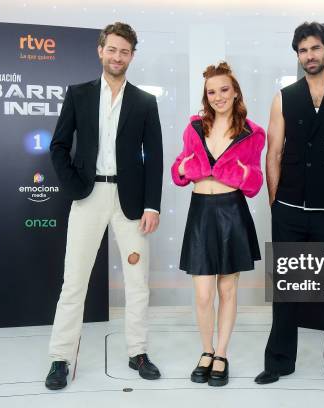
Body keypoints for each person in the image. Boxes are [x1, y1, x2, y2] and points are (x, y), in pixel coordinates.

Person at [45, 22, 163, 390]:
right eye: (112, 49)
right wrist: (74, 187)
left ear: (131, 55)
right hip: (88, 196)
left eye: (124, 51)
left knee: (138, 283)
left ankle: (138, 351)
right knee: (74, 282)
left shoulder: (145, 101)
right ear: (101, 50)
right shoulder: (78, 94)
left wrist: (152, 206)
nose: (117, 56)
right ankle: (60, 358)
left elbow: (155, 156)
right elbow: (59, 146)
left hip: (131, 203)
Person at [254, 22, 324, 393]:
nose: (310, 56)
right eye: (303, 51)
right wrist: (275, 202)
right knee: (285, 288)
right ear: (298, 55)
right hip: (289, 206)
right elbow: (272, 153)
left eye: (315, 49)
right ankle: (278, 362)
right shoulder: (284, 97)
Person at [171, 62, 265, 387]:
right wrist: (184, 168)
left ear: (235, 90)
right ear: (205, 95)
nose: (218, 96)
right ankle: (206, 350)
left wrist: (239, 174)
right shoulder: (193, 128)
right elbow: (179, 169)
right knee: (201, 294)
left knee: (227, 289)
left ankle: (221, 353)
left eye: (224, 89)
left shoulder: (252, 132)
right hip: (200, 211)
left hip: (231, 212)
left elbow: (255, 181)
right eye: (212, 91)